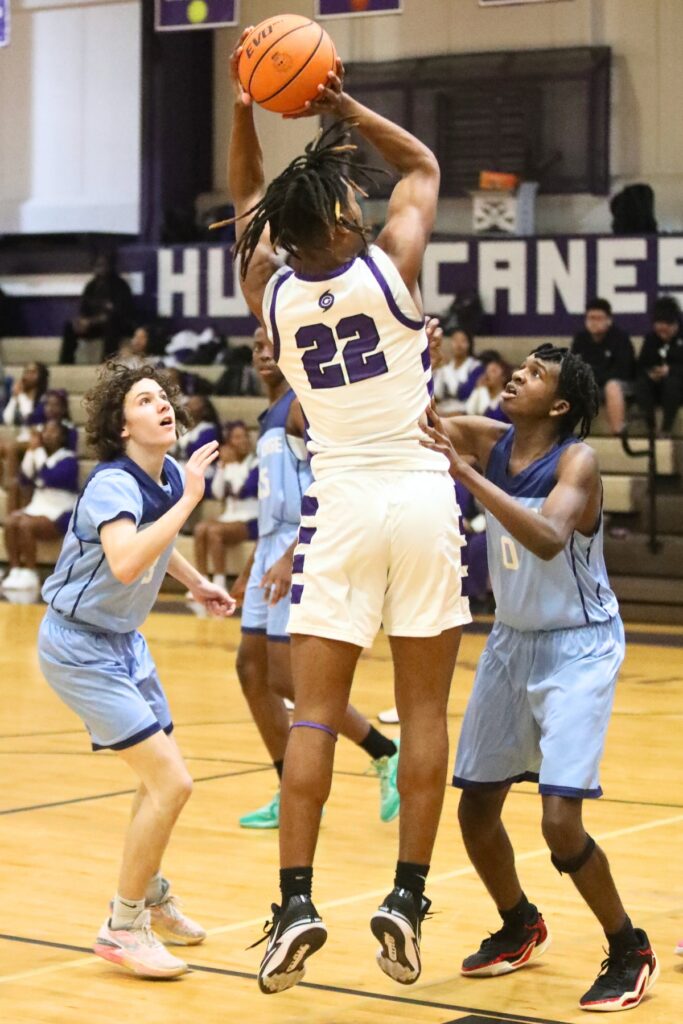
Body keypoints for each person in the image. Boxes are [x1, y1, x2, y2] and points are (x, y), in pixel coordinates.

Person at [227, 34, 469, 994]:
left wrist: (246, 108)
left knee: (315, 713)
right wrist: (338, 106)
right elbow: (421, 165)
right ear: (339, 211)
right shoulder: (390, 264)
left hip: (339, 509)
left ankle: (293, 902)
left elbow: (246, 202)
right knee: (420, 710)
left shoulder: (272, 292)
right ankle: (405, 898)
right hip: (416, 493)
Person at [420, 343, 658, 1013]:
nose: (514, 375)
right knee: (474, 810)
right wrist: (413, 347)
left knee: (559, 822)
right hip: (510, 642)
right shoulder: (491, 439)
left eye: (532, 374)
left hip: (577, 646)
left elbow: (550, 536)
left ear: (557, 404)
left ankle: (626, 946)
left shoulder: (576, 460)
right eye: (518, 367)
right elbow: (423, 421)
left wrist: (465, 477)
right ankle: (519, 921)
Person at [37, 362, 235, 979]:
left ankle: (147, 891)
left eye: (163, 398)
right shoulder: (111, 484)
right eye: (145, 401)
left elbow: (159, 542)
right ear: (123, 428)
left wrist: (198, 583)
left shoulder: (169, 473)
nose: (162, 406)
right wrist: (192, 502)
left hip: (124, 642)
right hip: (79, 645)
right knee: (173, 784)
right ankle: (123, 927)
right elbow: (125, 561)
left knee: (157, 780)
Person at [231, 326, 400, 830]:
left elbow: (333, 483)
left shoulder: (304, 406)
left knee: (286, 677)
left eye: (272, 346)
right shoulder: (269, 415)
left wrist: (289, 555)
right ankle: (289, 789)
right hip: (269, 550)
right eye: (257, 347)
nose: (264, 354)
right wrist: (250, 568)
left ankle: (385, 751)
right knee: (251, 670)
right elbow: (271, 503)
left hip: (302, 545)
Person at [1, 421, 79, 591]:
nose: (47, 435)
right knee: (10, 521)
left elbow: (50, 477)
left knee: (25, 524)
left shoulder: (69, 459)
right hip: (39, 505)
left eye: (53, 432)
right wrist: (31, 451)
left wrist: (36, 452)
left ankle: (31, 572)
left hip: (60, 512)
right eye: (45, 431)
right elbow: (25, 477)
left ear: (62, 437)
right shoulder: (41, 454)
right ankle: (15, 570)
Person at [192, 419, 258, 591]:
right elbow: (217, 493)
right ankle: (201, 582)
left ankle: (219, 584)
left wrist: (232, 465)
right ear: (229, 442)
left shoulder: (256, 463)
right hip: (230, 517)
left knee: (214, 531)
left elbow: (246, 490)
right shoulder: (227, 465)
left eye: (244, 437)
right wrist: (221, 467)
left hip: (251, 519)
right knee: (200, 529)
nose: (242, 440)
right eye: (236, 437)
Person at [570, 298, 635, 436]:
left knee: (612, 386)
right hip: (591, 385)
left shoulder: (620, 339)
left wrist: (594, 376)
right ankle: (561, 436)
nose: (594, 322)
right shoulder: (581, 339)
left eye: (599, 318)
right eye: (591, 318)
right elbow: (574, 367)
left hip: (622, 385)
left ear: (609, 320)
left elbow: (624, 370)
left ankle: (618, 432)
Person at [60, 251, 134, 364]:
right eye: (97, 265)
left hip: (114, 325)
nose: (100, 268)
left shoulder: (120, 286)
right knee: (70, 326)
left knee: (112, 324)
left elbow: (120, 312)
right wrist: (81, 321)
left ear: (110, 266)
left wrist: (93, 321)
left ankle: (106, 363)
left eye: (103, 265)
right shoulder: (91, 286)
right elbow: (83, 309)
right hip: (93, 326)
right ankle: (65, 363)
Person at [0, 361, 50, 513]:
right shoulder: (21, 395)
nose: (28, 375)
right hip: (23, 438)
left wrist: (20, 398)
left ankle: (11, 484)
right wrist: (15, 398)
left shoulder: (45, 398)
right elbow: (7, 419)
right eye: (26, 371)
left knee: (11, 447)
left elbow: (31, 418)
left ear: (41, 376)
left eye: (33, 372)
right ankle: (3, 485)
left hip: (39, 439)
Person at [635, 295, 683, 437]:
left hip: (677, 385)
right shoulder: (651, 339)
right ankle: (650, 427)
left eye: (667, 326)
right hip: (657, 386)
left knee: (672, 383)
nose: (662, 330)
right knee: (642, 383)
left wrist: (671, 370)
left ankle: (666, 429)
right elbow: (641, 365)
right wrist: (651, 373)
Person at [432, 326, 481, 414]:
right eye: (455, 340)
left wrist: (445, 370)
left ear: (469, 344)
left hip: (466, 410)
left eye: (463, 341)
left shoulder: (476, 366)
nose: (459, 345)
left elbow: (463, 393)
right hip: (444, 409)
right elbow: (437, 394)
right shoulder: (446, 367)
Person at [464, 351, 510, 422]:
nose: (487, 374)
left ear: (504, 377)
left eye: (493, 371)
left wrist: (482, 390)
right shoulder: (481, 391)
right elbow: (467, 412)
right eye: (487, 371)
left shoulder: (505, 400)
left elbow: (490, 419)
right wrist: (478, 390)